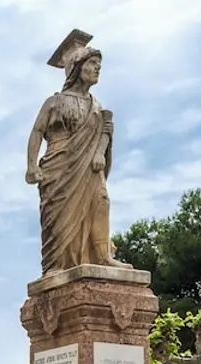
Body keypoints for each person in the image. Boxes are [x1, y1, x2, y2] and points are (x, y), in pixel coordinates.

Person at [25, 30, 132, 274]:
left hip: (91, 166)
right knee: (60, 217)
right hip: (58, 164)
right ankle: (56, 264)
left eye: (99, 65)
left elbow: (105, 132)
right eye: (93, 64)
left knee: (101, 201)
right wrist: (31, 165)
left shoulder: (97, 106)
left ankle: (103, 255)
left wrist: (100, 150)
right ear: (78, 67)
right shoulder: (54, 102)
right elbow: (36, 131)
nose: (97, 69)